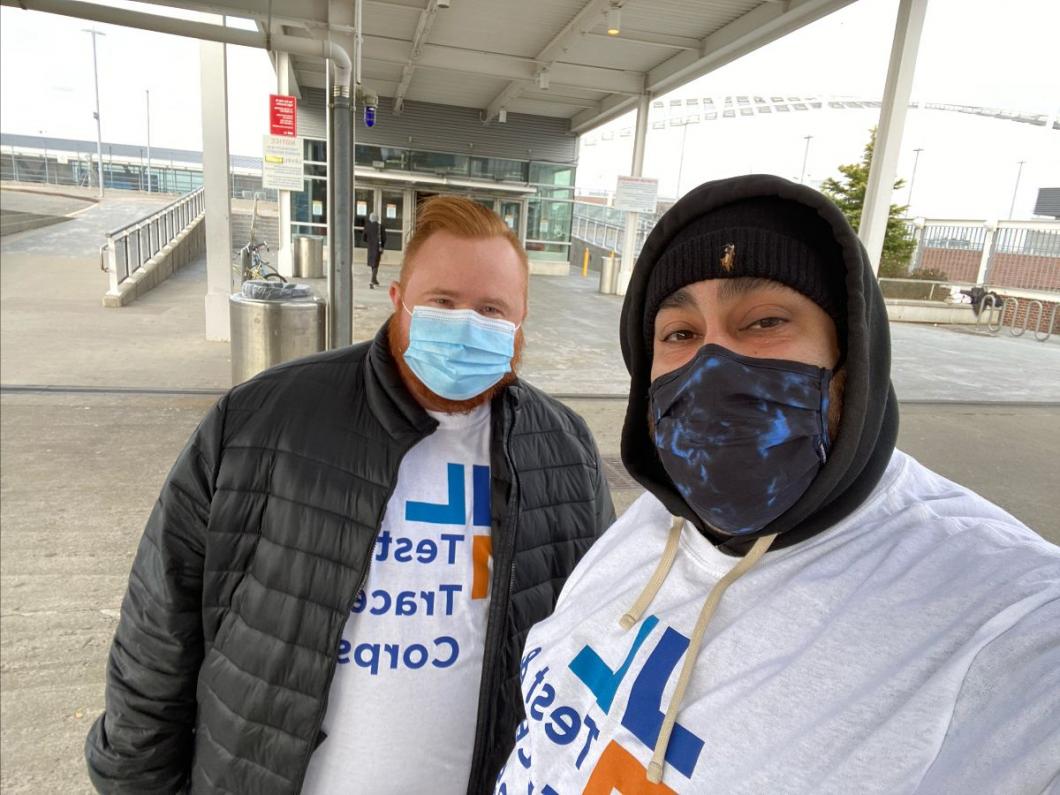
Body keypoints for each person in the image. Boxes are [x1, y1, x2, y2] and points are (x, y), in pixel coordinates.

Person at [494, 175, 1060, 794]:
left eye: (764, 321)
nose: (713, 365)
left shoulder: (1006, 620)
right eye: (680, 333)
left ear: (854, 356)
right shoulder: (654, 524)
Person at [85, 195, 615, 794]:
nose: (467, 325)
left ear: (520, 324)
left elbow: (596, 644)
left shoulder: (563, 451)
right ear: (397, 302)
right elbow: (160, 627)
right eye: (442, 302)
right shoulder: (264, 421)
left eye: (492, 309)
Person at [364, 211, 385, 288]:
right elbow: (384, 238)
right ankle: (372, 280)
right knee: (376, 263)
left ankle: (374, 279)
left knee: (373, 263)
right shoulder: (381, 226)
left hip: (370, 247)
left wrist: (369, 241)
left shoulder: (367, 226)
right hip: (377, 248)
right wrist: (382, 246)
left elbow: (364, 238)